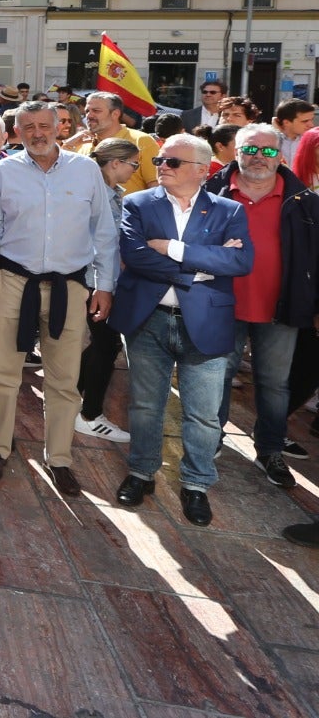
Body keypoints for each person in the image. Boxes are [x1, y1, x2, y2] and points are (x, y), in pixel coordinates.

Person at [0, 101, 119, 497]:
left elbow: (103, 230)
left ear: (58, 128)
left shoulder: (85, 170)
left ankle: (60, 458)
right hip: (15, 281)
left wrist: (104, 285)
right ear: (17, 133)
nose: (37, 133)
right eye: (28, 127)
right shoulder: (6, 170)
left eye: (44, 125)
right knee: (3, 373)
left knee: (64, 378)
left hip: (70, 285)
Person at [111, 135, 253, 527]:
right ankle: (141, 473)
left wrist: (173, 250)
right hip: (149, 318)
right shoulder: (139, 203)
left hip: (206, 322)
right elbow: (134, 255)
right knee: (144, 406)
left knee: (204, 414)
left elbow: (241, 261)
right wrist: (204, 268)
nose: (162, 166)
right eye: (159, 159)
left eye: (172, 162)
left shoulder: (228, 210)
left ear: (201, 170)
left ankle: (196, 484)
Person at [205, 122, 319, 487]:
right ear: (234, 152)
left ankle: (269, 449)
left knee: (275, 383)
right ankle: (210, 441)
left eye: (268, 151)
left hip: (280, 308)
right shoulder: (210, 192)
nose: (259, 157)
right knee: (216, 377)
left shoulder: (305, 202)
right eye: (250, 149)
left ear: (281, 156)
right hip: (220, 304)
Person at [75, 138, 142, 443]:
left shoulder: (110, 193)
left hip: (97, 278)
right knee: (106, 344)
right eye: (134, 164)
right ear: (116, 163)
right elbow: (99, 243)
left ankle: (71, 400)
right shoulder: (99, 194)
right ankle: (89, 414)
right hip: (94, 280)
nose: (135, 171)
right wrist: (104, 285)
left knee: (101, 343)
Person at [69, 92, 159, 195]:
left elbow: (155, 188)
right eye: (87, 111)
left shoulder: (142, 141)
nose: (89, 116)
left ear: (115, 114)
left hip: (128, 210)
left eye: (96, 111)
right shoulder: (81, 144)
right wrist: (67, 145)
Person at [275, 99, 315, 165]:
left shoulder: (313, 142)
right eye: (305, 121)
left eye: (311, 120)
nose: (311, 125)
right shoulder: (270, 141)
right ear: (286, 122)